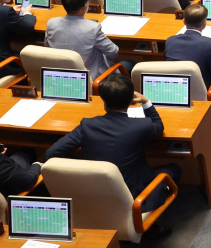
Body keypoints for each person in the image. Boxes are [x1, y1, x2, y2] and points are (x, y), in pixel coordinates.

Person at [45, 73, 180, 232]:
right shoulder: (141, 126)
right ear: (131, 100)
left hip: (91, 194)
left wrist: (80, 166)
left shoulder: (87, 125)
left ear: (103, 100)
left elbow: (51, 154)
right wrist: (146, 102)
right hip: (133, 198)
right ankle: (149, 227)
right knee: (174, 169)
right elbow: (158, 126)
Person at [46, 0, 123, 80]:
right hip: (90, 78)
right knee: (129, 64)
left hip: (59, 76)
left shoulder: (51, 23)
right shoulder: (93, 28)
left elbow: (47, 46)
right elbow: (113, 53)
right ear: (85, 5)